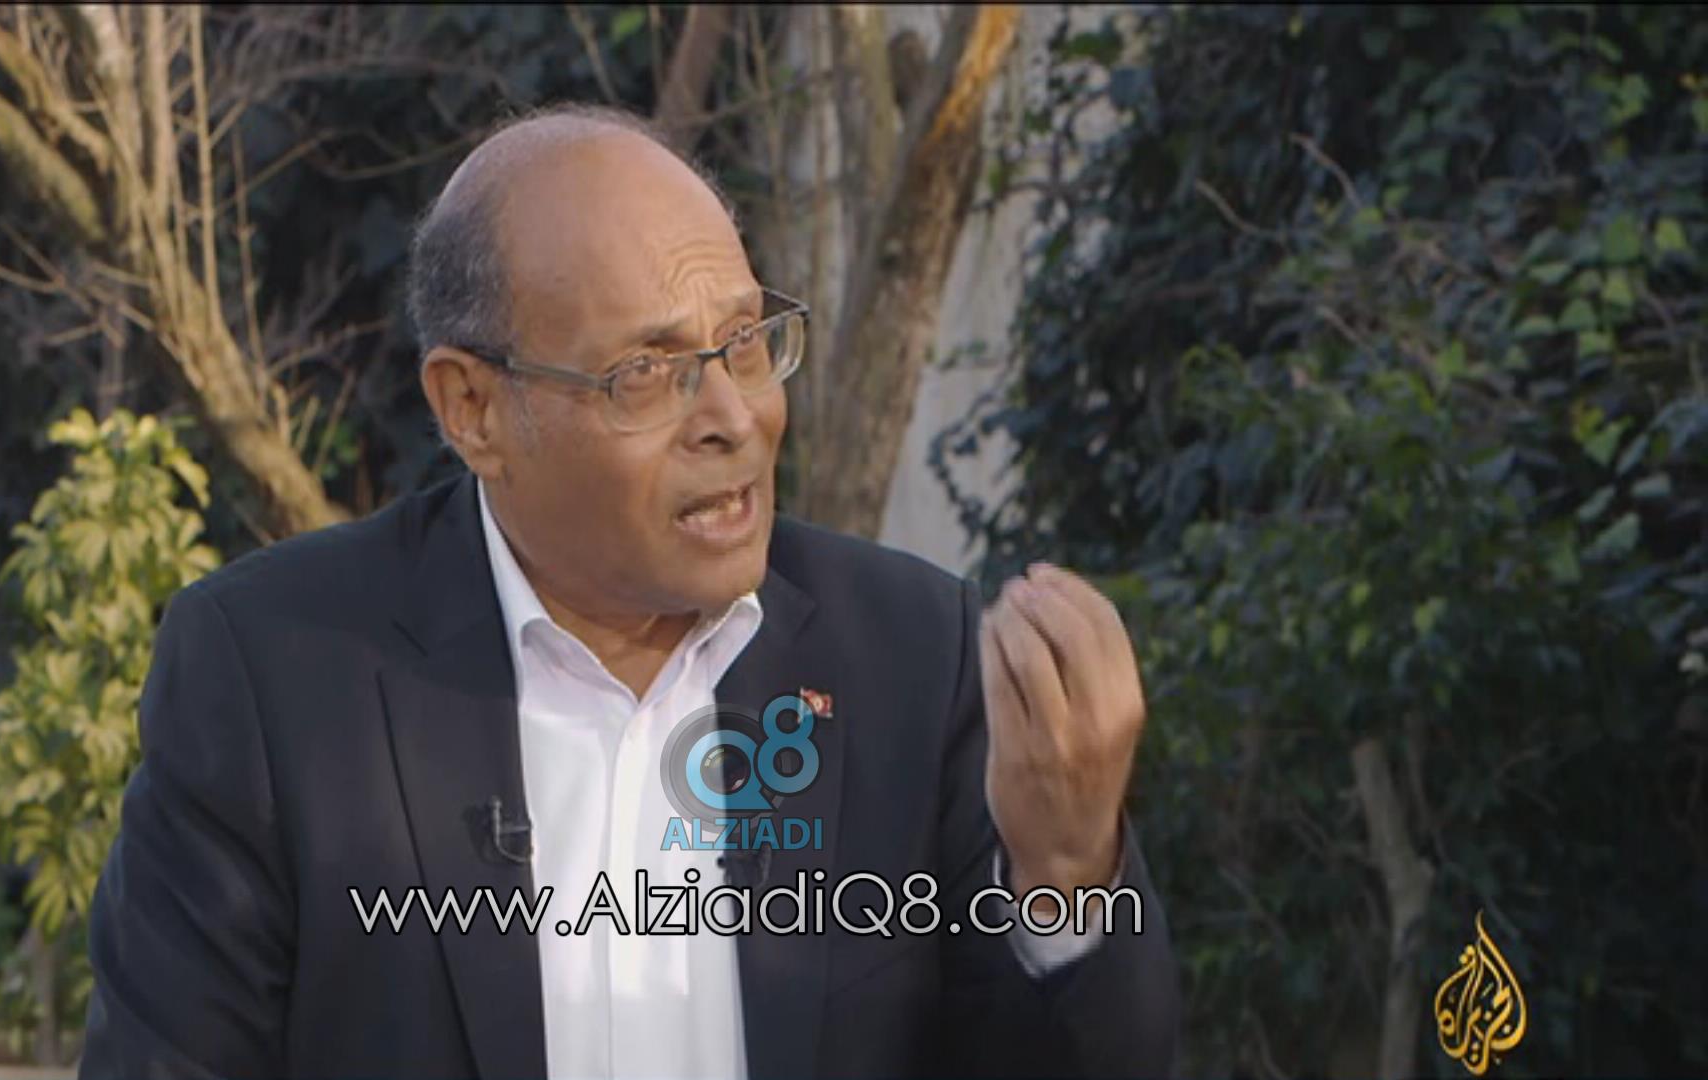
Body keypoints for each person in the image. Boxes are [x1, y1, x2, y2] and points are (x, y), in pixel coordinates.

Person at [79, 103, 1179, 1079]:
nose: (734, 418)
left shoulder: (910, 658)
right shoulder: (275, 676)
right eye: (646, 373)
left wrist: (1067, 877)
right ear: (473, 410)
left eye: (745, 344)